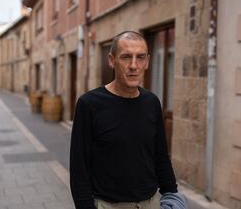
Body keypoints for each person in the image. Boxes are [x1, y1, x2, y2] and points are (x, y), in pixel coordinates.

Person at [70, 31, 178, 209]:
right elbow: (79, 168)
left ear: (147, 62)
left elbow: (161, 157)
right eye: (126, 57)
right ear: (112, 60)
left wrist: (172, 196)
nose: (134, 65)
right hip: (108, 205)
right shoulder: (89, 104)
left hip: (151, 204)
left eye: (140, 57)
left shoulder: (151, 102)